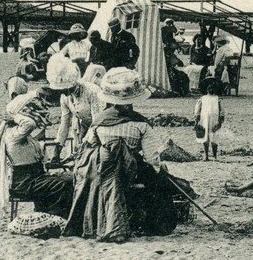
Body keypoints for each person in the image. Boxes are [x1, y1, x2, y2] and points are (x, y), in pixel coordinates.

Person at [63, 67, 181, 241]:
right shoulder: (142, 125)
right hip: (130, 171)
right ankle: (150, 223)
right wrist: (159, 169)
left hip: (103, 168)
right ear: (133, 101)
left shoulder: (99, 122)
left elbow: (89, 146)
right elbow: (151, 158)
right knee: (159, 181)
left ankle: (96, 223)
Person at [0, 59, 76, 219]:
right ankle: (56, 216)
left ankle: (57, 215)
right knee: (63, 183)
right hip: (24, 182)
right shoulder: (12, 134)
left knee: (70, 178)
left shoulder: (22, 134)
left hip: (34, 177)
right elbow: (29, 123)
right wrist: (15, 117)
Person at [51, 61, 101, 164]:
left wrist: (83, 145)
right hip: (82, 124)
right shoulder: (64, 97)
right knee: (77, 160)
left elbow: (96, 122)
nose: (62, 92)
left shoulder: (91, 92)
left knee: (89, 157)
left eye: (64, 89)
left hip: (99, 126)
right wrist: (57, 149)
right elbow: (64, 123)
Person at [194, 79, 225, 161]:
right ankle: (206, 156)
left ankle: (215, 156)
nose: (211, 90)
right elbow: (197, 110)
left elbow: (222, 111)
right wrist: (196, 121)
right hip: (204, 120)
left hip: (215, 120)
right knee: (205, 137)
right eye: (209, 88)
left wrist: (220, 121)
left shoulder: (218, 99)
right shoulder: (202, 99)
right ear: (206, 90)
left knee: (214, 137)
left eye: (212, 88)